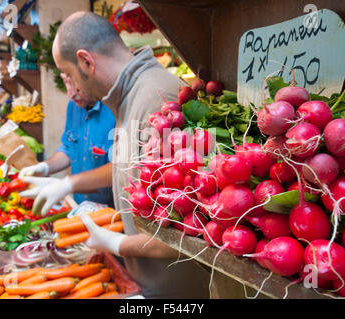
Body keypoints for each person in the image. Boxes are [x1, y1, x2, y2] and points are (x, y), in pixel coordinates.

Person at [51, 11, 210, 299]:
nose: (74, 89)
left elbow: (185, 235)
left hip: (177, 294)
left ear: (86, 62)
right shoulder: (128, 99)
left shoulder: (155, 99)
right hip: (149, 286)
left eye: (72, 76)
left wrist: (116, 243)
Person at [19, 73, 116, 214]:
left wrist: (67, 184)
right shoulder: (74, 107)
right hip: (79, 206)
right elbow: (68, 148)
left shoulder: (114, 111)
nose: (71, 93)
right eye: (66, 82)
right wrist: (45, 167)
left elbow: (120, 169)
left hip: (110, 213)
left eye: (75, 84)